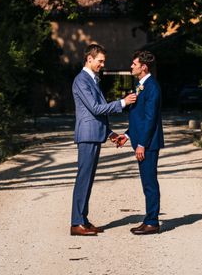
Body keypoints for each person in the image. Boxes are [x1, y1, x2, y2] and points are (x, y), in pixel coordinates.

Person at [70, 43, 137, 236]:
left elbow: (98, 114)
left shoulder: (93, 80)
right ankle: (76, 223)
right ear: (89, 59)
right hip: (87, 135)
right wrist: (123, 103)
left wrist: (110, 134)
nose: (102, 64)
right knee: (83, 179)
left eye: (103, 61)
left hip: (95, 134)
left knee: (88, 179)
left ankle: (83, 219)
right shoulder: (81, 80)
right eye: (100, 61)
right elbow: (96, 109)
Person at [116, 50, 164, 235]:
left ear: (143, 67)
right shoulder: (141, 85)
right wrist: (127, 136)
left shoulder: (152, 87)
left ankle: (152, 221)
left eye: (134, 64)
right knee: (146, 182)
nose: (131, 66)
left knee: (150, 183)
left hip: (149, 144)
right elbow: (139, 117)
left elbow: (150, 118)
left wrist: (142, 144)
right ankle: (149, 219)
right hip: (143, 141)